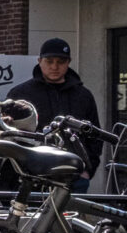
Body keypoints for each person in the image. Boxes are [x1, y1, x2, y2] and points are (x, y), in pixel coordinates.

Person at [7, 38, 102, 189]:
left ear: (68, 62)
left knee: (74, 206)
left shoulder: (83, 95)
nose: (54, 66)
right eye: (49, 61)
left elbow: (95, 136)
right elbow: (8, 133)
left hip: (74, 176)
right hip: (31, 176)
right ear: (40, 61)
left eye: (61, 62)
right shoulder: (20, 93)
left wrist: (88, 170)